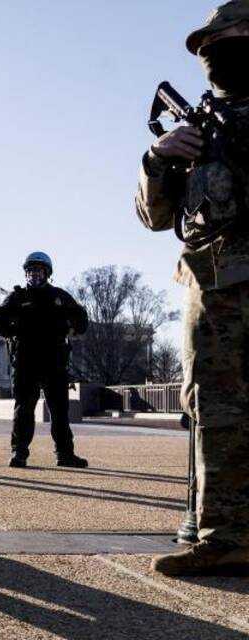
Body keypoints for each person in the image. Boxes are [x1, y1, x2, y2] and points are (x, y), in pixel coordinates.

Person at [136, 0, 249, 576]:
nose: (216, 55)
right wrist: (156, 160)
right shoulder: (194, 133)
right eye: (208, 48)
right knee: (215, 411)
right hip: (214, 291)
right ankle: (224, 537)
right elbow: (155, 217)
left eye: (230, 41)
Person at [0, 252, 89, 469]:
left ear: (47, 273)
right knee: (24, 409)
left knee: (59, 411)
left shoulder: (60, 297)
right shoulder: (16, 298)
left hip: (54, 362)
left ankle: (65, 454)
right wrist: (15, 328)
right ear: (26, 273)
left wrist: (71, 328)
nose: (34, 274)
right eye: (31, 270)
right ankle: (19, 453)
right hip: (26, 362)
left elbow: (82, 320)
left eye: (39, 270)